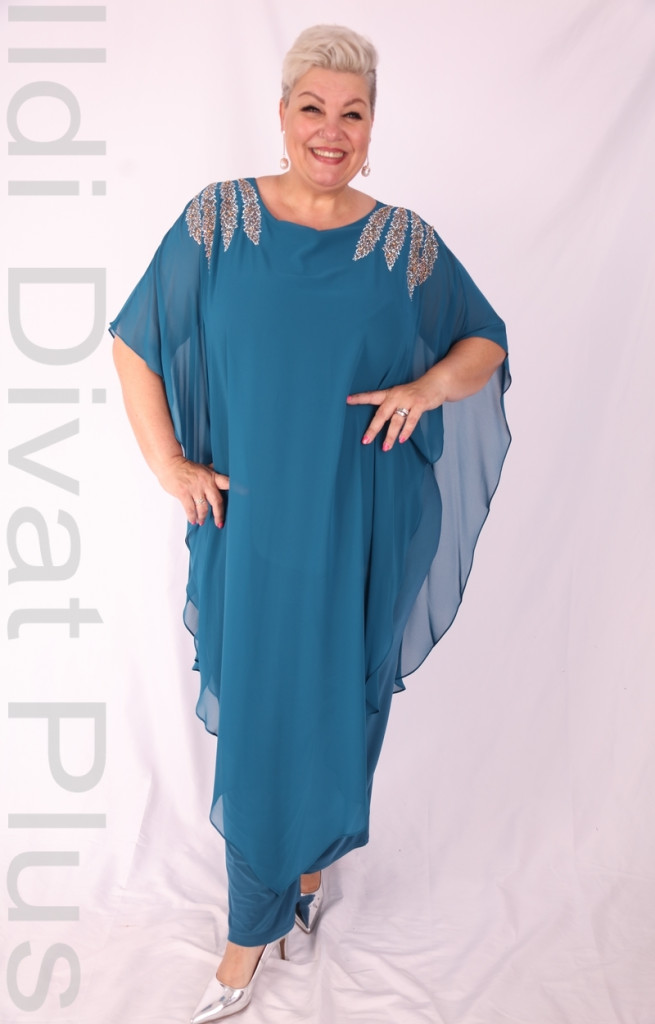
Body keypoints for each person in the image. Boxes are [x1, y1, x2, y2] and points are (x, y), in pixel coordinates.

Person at [110, 24, 510, 1023]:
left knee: (340, 702)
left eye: (352, 113)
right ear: (283, 115)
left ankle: (304, 874)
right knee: (260, 714)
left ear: (372, 126)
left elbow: (484, 344)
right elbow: (135, 342)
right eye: (312, 109)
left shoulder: (405, 247)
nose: (331, 130)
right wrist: (167, 463)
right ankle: (251, 929)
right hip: (253, 525)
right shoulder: (215, 225)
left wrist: (424, 387)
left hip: (363, 522)